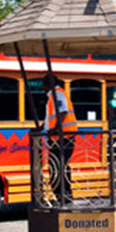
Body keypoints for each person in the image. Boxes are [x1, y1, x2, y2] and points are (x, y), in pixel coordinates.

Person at [42, 72, 76, 200]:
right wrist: (41, 128)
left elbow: (63, 113)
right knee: (56, 166)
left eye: (44, 84)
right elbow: (51, 117)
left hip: (65, 137)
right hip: (57, 138)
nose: (43, 87)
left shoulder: (58, 94)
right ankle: (60, 194)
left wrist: (55, 130)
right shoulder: (52, 96)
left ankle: (65, 194)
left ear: (49, 84)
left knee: (60, 166)